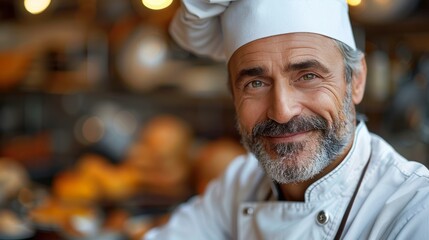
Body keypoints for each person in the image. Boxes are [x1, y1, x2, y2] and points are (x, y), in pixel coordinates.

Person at [145, 0, 429, 239]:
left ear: (356, 80)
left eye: (308, 76)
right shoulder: (240, 182)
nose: (282, 111)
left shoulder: (414, 211)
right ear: (233, 94)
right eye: (255, 83)